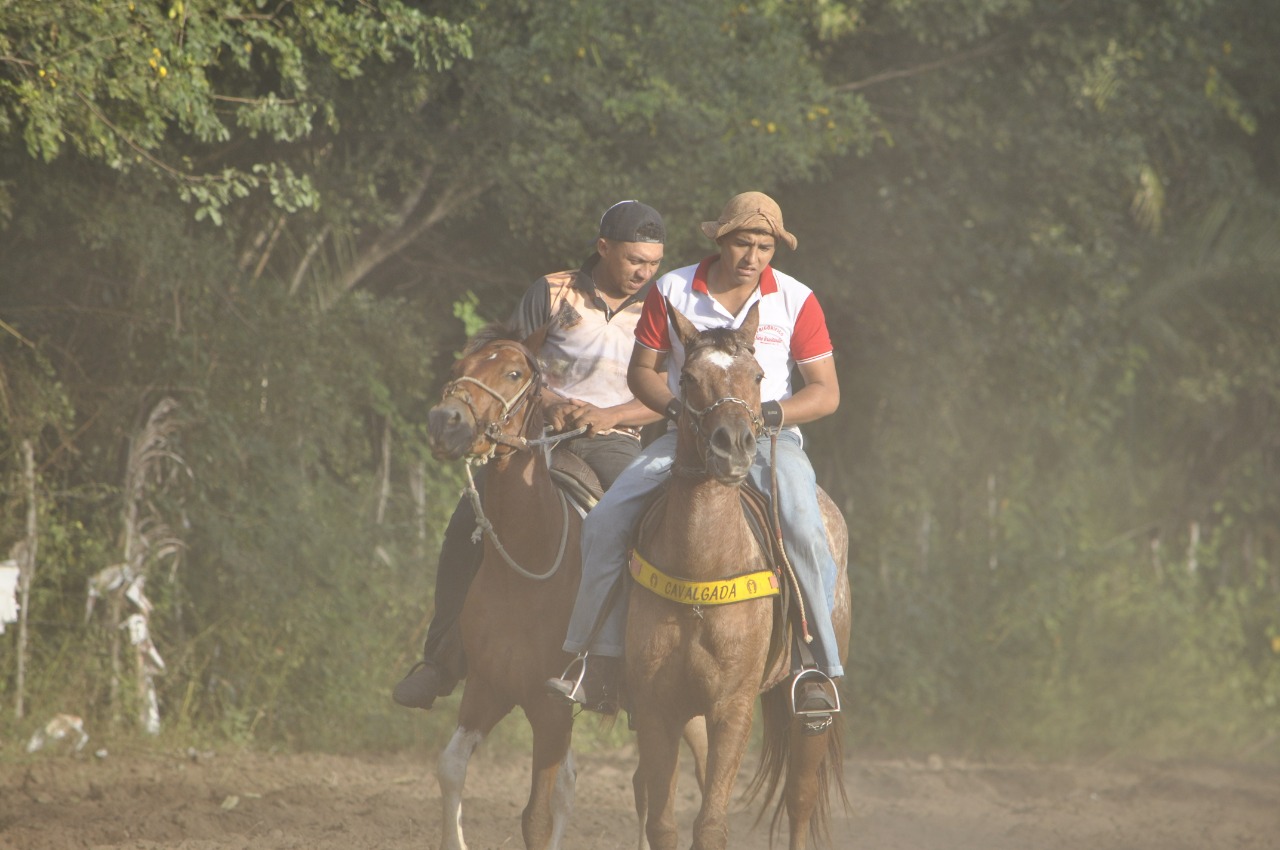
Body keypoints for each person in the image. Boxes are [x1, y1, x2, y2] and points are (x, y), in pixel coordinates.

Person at [546, 191, 843, 716]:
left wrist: (768, 415)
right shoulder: (672, 289)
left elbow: (825, 392)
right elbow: (643, 371)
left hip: (770, 441)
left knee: (803, 521)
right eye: (742, 243)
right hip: (686, 438)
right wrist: (679, 413)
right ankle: (597, 660)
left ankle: (813, 665)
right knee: (607, 520)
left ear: (777, 248)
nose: (752, 257)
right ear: (720, 241)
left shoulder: (797, 299)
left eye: (765, 246)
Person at [393, 201, 667, 710]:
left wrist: (613, 416)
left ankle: (633, 665)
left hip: (614, 439)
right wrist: (556, 403)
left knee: (652, 527)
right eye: (634, 260)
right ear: (604, 248)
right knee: (466, 528)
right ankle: (439, 661)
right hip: (537, 433)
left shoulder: (661, 307)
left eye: (652, 263)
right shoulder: (552, 290)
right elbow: (509, 361)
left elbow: (667, 392)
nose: (643, 273)